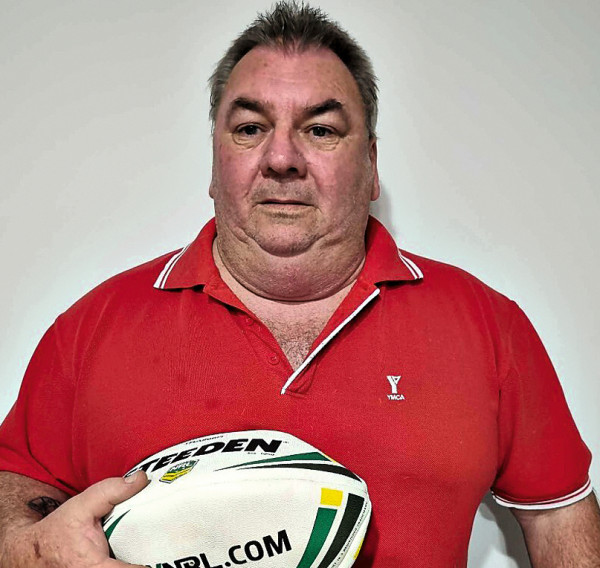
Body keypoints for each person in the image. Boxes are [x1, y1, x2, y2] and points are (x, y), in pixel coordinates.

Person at [0, 2, 599, 566]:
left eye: (321, 130)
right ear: (214, 162)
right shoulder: (91, 329)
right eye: (250, 127)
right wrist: (29, 549)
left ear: (371, 166)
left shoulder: (487, 326)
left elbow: (560, 520)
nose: (282, 158)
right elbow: (15, 491)